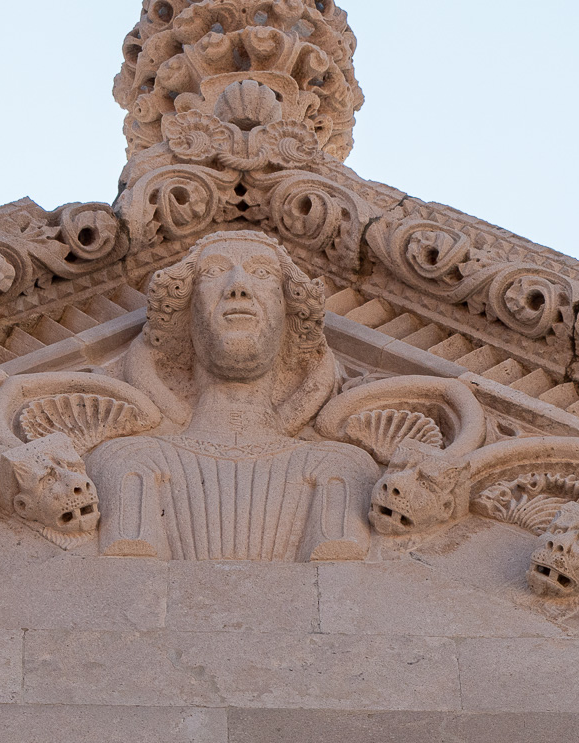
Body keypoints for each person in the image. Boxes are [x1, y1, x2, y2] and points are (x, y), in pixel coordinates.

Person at [87, 231, 375, 560]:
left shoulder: (340, 469)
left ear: (289, 314)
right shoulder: (130, 463)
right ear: (184, 313)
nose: (237, 285)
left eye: (262, 273)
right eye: (214, 271)